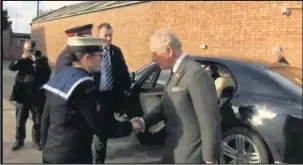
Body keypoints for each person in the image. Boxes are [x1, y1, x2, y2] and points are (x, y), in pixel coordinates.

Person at [40, 36, 140, 164]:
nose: (102, 59)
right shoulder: (84, 84)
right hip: (73, 156)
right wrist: (130, 126)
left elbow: (45, 118)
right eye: (100, 56)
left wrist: (45, 148)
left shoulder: (61, 75)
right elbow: (100, 127)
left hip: (51, 153)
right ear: (87, 58)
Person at [131, 28, 222, 163]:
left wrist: (210, 159)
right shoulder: (177, 72)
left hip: (191, 156)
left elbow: (209, 121)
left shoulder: (195, 73)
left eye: (155, 53)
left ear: (168, 51)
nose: (153, 58)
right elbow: (165, 106)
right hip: (174, 151)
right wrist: (142, 122)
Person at [91, 22, 132, 164]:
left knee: (103, 133)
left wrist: (127, 89)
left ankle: (99, 159)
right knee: (96, 132)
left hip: (110, 97)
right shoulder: (92, 51)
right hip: (95, 97)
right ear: (98, 36)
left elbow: (123, 72)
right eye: (105, 36)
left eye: (111, 36)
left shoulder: (116, 51)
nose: (109, 39)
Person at [9, 40, 40, 151]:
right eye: (28, 50)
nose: (31, 52)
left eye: (32, 50)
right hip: (23, 96)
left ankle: (37, 141)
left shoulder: (41, 60)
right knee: (20, 120)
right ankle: (19, 141)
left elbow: (47, 73)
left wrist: (37, 63)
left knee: (38, 120)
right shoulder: (22, 61)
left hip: (36, 96)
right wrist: (21, 59)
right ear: (24, 50)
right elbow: (11, 67)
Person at [31, 50, 52, 151]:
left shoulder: (38, 67)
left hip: (41, 96)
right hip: (39, 97)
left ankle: (39, 141)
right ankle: (37, 141)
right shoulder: (43, 66)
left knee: (40, 120)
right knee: (39, 120)